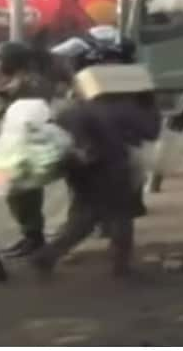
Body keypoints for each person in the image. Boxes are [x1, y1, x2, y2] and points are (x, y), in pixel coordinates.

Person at [30, 87, 161, 278]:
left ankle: (48, 255)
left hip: (79, 171)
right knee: (121, 216)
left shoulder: (71, 111)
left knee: (84, 217)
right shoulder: (122, 108)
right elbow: (151, 132)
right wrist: (150, 105)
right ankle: (121, 266)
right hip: (112, 168)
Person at [0, 41, 56, 258]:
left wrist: (9, 94)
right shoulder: (19, 82)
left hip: (26, 145)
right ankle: (29, 234)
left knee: (25, 193)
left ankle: (34, 237)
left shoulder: (31, 82)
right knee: (17, 195)